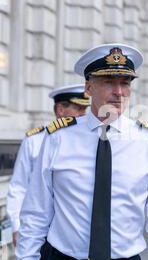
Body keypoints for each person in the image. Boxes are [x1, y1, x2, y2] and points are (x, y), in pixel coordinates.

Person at [16, 43, 148, 260]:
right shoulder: (58, 138)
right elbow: (37, 211)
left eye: (125, 83)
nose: (119, 92)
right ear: (88, 87)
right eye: (109, 82)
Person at [6, 84, 90, 248]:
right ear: (60, 110)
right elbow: (19, 186)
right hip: (40, 229)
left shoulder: (89, 141)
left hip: (75, 232)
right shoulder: (35, 140)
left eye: (84, 109)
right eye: (78, 108)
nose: (83, 114)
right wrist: (17, 226)